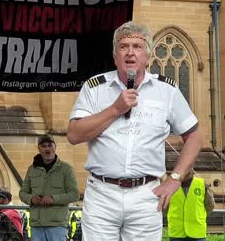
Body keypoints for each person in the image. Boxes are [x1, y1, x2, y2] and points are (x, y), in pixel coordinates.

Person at [67, 21, 201, 240]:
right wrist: (115, 109)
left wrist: (175, 178)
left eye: (137, 47)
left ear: (148, 56)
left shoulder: (166, 90)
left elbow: (194, 136)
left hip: (146, 194)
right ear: (114, 56)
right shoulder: (95, 87)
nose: (130, 52)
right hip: (102, 193)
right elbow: (74, 134)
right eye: (123, 46)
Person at [19, 134, 80, 241]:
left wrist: (53, 199)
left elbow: (74, 194)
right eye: (43, 146)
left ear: (55, 147)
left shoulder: (66, 169)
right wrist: (31, 199)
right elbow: (22, 193)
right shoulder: (32, 169)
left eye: (50, 145)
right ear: (39, 148)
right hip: (36, 226)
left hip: (57, 227)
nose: (47, 149)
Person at [167, 170, 215, 241]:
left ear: (191, 171)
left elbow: (210, 205)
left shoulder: (201, 184)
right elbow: (164, 207)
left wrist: (199, 215)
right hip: (176, 232)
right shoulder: (170, 185)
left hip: (197, 232)